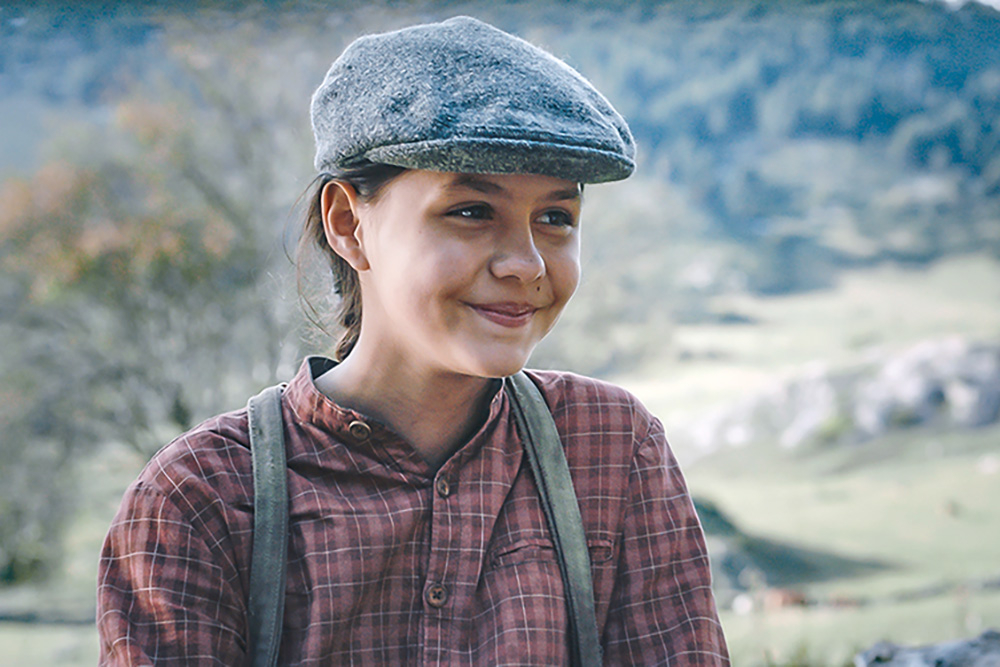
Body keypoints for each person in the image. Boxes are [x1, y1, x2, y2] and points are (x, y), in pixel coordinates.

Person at [97, 16, 729, 666]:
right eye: (471, 211)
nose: (527, 263)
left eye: (555, 217)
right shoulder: (201, 499)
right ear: (348, 223)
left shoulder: (612, 451)